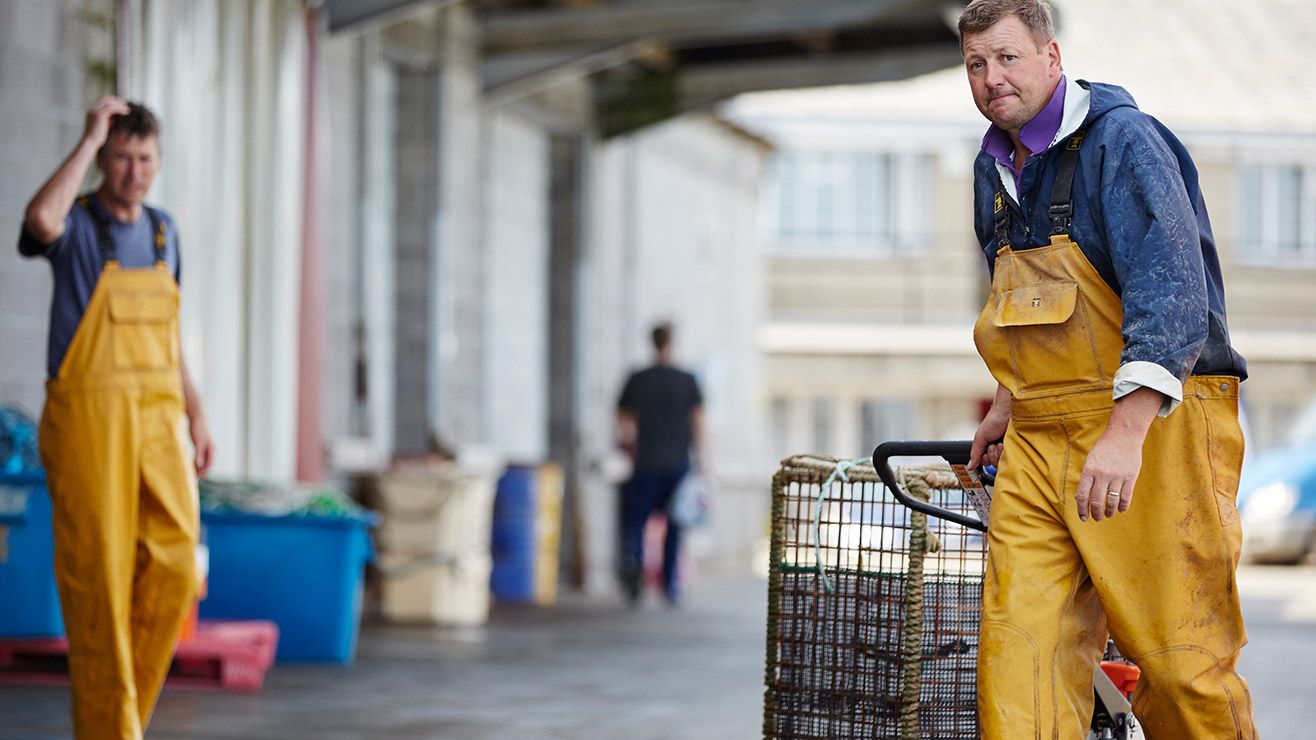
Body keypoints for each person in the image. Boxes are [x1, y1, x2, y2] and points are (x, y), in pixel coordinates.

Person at [957, 2, 1256, 737]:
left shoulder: (1123, 143)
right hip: (1037, 437)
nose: (992, 79)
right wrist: (1005, 400)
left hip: (1153, 431)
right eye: (975, 65)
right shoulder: (992, 167)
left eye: (1008, 57)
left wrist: (1125, 432)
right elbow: (1018, 299)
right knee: (1018, 661)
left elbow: (1174, 292)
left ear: (1052, 58)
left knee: (1180, 664)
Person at [19, 96, 213, 739]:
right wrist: (87, 135)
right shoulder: (75, 226)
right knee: (98, 578)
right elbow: (38, 219)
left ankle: (119, 717)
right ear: (104, 160)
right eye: (122, 157)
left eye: (146, 158)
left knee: (177, 564)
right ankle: (112, 730)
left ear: (159, 162)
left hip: (158, 417)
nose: (134, 171)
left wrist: (198, 414)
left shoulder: (164, 232)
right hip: (91, 423)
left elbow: (172, 336)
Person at [616, 322, 705, 605]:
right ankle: (669, 585)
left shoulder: (638, 378)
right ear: (672, 342)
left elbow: (623, 420)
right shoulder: (687, 379)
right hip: (678, 463)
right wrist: (702, 459)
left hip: (646, 462)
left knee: (637, 522)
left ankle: (636, 575)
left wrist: (629, 446)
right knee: (675, 524)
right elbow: (698, 421)